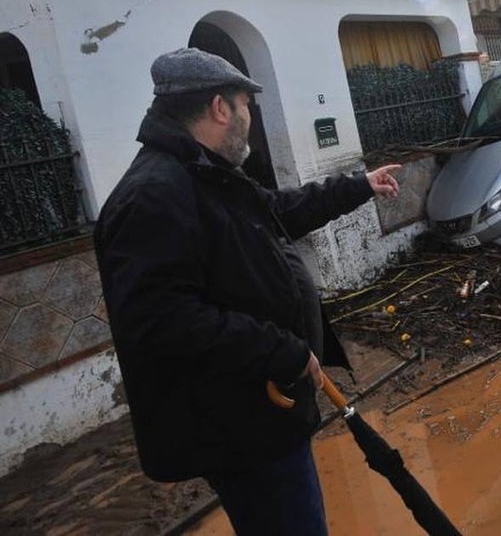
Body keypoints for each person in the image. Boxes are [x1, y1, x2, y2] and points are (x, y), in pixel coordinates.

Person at [95, 47, 401, 535]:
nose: (248, 120)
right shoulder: (155, 195)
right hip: (240, 425)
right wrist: (284, 352)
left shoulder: (206, 177)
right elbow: (163, 321)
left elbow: (282, 209)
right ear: (220, 108)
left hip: (263, 413)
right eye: (246, 107)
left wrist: (359, 186)